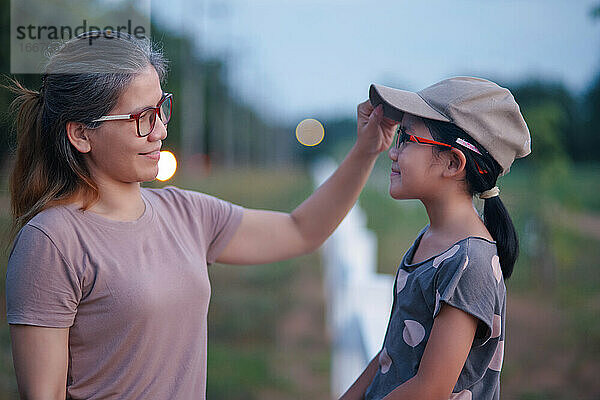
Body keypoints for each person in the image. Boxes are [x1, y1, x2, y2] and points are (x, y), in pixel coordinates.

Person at [3, 31, 396, 399]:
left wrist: (365, 151)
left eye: (161, 109)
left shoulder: (186, 213)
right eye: (140, 118)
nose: (159, 130)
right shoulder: (52, 240)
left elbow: (302, 230)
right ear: (81, 134)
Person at [339, 77, 531, 400]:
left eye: (406, 138)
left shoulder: (471, 263)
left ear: (454, 162)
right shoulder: (430, 238)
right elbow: (391, 353)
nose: (393, 153)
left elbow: (429, 390)